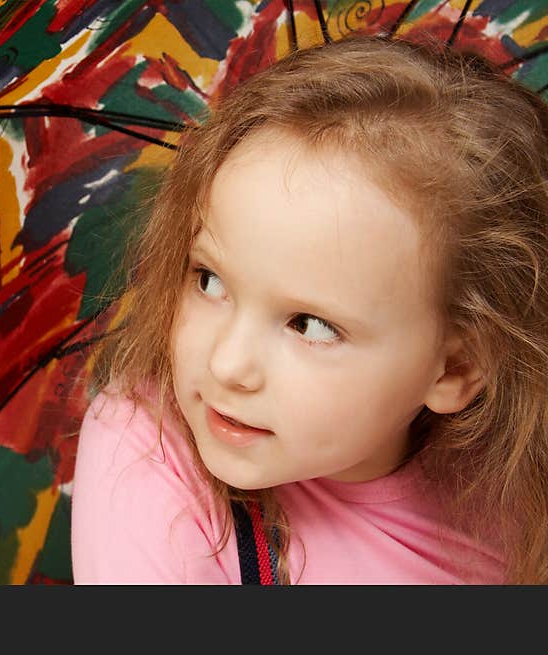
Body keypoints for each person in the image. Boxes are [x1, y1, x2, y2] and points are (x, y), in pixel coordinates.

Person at [70, 35, 548, 584]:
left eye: (311, 325)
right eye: (209, 281)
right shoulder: (146, 449)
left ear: (455, 368)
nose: (228, 366)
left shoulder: (511, 495)